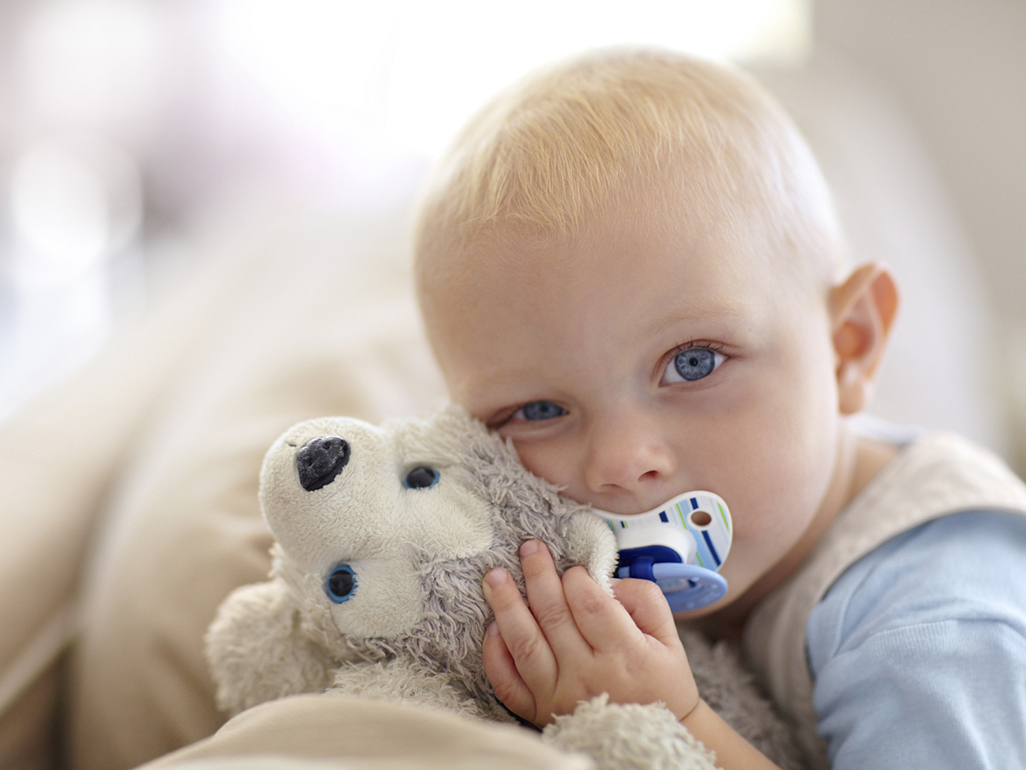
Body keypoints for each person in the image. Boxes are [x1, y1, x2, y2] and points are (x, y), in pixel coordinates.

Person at [412, 48, 1026, 769]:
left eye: (693, 363)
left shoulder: (929, 627)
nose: (619, 463)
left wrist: (673, 722)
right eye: (537, 408)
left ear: (848, 347)